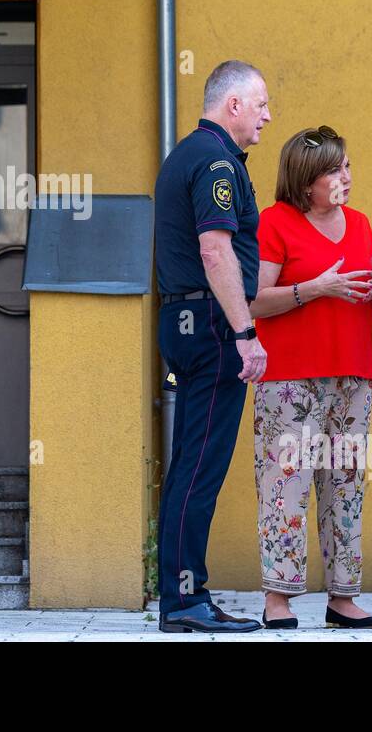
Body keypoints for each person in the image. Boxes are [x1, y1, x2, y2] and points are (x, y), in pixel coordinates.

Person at [249, 126, 372, 629]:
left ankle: (343, 598)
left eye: (347, 166)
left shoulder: (361, 223)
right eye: (334, 169)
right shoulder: (275, 223)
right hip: (290, 379)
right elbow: (255, 301)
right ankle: (278, 600)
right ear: (305, 180)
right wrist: (315, 288)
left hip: (353, 374)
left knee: (346, 485)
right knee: (286, 484)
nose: (345, 177)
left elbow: (368, 304)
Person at [154, 60, 271, 634]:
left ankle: (185, 595)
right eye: (261, 104)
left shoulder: (186, 153)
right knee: (200, 467)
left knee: (188, 464)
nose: (267, 116)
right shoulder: (218, 160)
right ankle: (184, 600)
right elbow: (215, 251)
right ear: (233, 105)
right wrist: (245, 332)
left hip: (184, 319)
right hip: (211, 325)